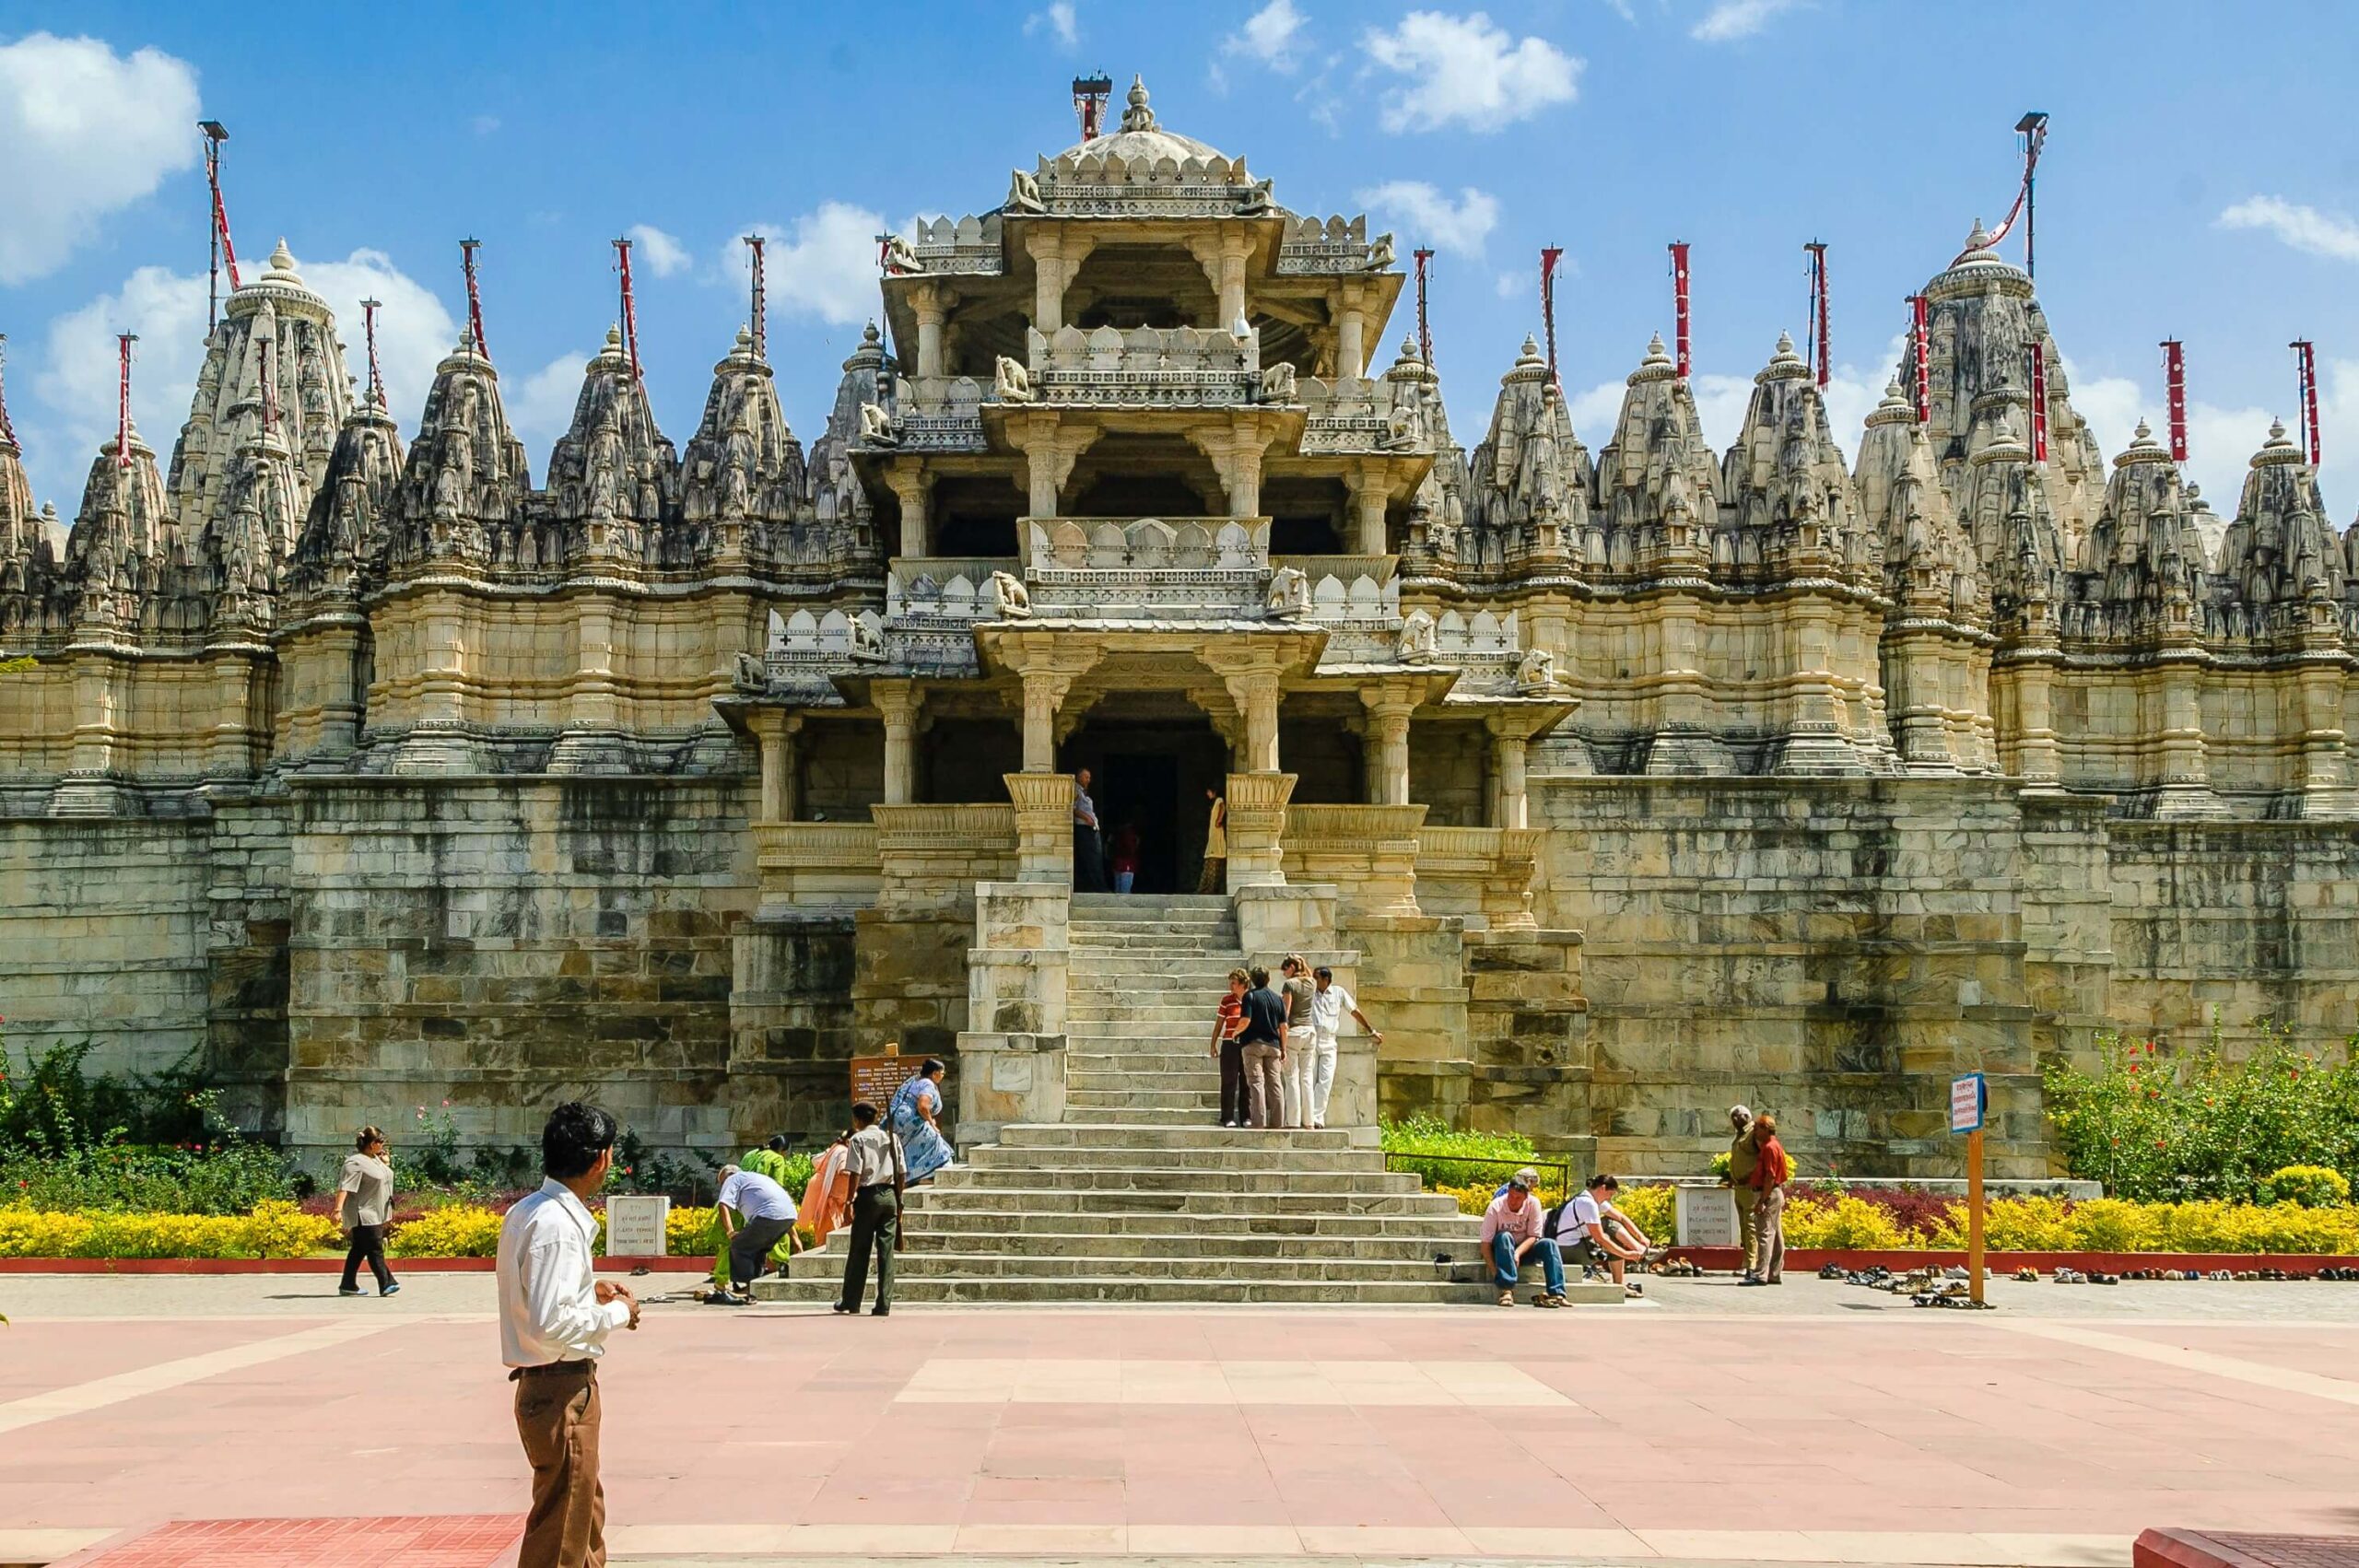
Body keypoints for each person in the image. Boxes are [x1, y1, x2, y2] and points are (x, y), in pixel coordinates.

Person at [497, 1102, 640, 1568]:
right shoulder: (556, 1225)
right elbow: (550, 1323)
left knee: (581, 1515)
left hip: (554, 1384)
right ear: (601, 1159)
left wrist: (586, 1291)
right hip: (560, 1387)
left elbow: (537, 1297)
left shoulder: (531, 1211)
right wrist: (618, 1313)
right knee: (562, 1531)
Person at [834, 1100, 905, 1316]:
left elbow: (855, 1173)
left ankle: (851, 1300)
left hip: (868, 1195)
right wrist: (899, 1199)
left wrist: (849, 1202)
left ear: (857, 1119)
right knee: (886, 1253)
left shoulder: (858, 1139)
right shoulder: (892, 1138)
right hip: (890, 1195)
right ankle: (884, 1303)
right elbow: (902, 1172)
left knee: (859, 1250)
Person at [1301, 965, 1379, 1130]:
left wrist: (1370, 1030)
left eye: (1317, 978)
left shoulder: (1338, 992)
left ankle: (1316, 1116)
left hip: (1329, 1041)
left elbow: (1354, 1010)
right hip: (1312, 1039)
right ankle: (1307, 1116)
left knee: (1325, 1080)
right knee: (1309, 1078)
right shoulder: (1310, 993)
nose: (1314, 980)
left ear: (1326, 979)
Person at [1480, 1167, 1566, 1307]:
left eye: (1518, 1198)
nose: (1513, 1201)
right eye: (1511, 1196)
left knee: (1549, 1244)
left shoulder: (1534, 1203)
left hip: (1525, 1249)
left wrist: (1518, 1253)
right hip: (1502, 1249)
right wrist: (1496, 1273)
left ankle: (1557, 1293)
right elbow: (1485, 1244)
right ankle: (1506, 1290)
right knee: (1504, 1237)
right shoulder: (1496, 1206)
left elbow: (1534, 1235)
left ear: (1526, 1197)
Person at [712, 1162, 797, 1302]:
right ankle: (756, 1284)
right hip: (789, 1216)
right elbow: (781, 1208)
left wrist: (730, 1231)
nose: (723, 1187)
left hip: (768, 1215)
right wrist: (796, 1240)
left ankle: (746, 1287)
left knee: (739, 1246)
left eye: (721, 1183)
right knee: (758, 1249)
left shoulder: (732, 1179)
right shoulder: (754, 1178)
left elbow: (723, 1205)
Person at [1554, 1174, 1649, 1298]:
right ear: (1603, 1188)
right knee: (1610, 1234)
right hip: (1568, 1251)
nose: (1609, 1199)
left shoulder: (1588, 1197)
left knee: (1611, 1223)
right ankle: (1638, 1259)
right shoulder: (1588, 1203)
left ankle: (1640, 1252)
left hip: (1568, 1246)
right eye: (1610, 1194)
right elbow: (1600, 1238)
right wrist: (1626, 1254)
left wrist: (1641, 1237)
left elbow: (1621, 1218)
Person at [335, 1125, 399, 1298]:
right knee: (375, 1246)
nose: (383, 1145)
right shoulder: (355, 1162)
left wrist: (385, 1163)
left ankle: (348, 1284)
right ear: (371, 1144)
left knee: (359, 1249)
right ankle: (387, 1283)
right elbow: (344, 1187)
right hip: (363, 1212)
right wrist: (337, 1210)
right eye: (380, 1141)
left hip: (376, 1211)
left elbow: (384, 1176)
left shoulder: (375, 1159)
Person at [1235, 965, 1288, 1130]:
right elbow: (1284, 1026)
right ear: (1268, 979)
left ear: (1251, 980)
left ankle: (1258, 1123)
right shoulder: (1277, 998)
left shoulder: (1249, 996)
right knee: (1275, 1084)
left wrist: (1235, 1032)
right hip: (1273, 1045)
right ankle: (1277, 1122)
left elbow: (1246, 1020)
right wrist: (1284, 1049)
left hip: (1253, 1043)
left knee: (1257, 1083)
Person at [1743, 1113, 1791, 1286]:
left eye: (1757, 1128)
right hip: (1773, 1193)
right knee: (1776, 1235)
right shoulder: (1774, 1145)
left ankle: (1760, 1274)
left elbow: (1770, 1176)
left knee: (1764, 1233)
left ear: (1765, 1129)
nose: (1754, 1132)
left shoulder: (1770, 1147)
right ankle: (1775, 1273)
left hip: (1768, 1193)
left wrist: (1761, 1201)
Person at [889, 1057, 955, 1184]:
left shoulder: (913, 1080)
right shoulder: (927, 1084)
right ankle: (924, 1175)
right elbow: (923, 1106)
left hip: (896, 1121)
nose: (942, 1076)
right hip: (910, 1123)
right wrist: (931, 1123)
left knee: (907, 1151)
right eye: (942, 1073)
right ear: (935, 1073)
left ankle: (916, 1177)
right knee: (938, 1145)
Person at [1275, 955, 1317, 1129]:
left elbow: (1286, 1013)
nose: (1284, 973)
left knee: (1291, 1077)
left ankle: (1293, 1120)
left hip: (1294, 1032)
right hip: (1310, 1031)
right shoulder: (1312, 982)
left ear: (1291, 967)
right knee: (1306, 1077)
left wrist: (1280, 1037)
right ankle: (1309, 1121)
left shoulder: (1290, 985)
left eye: (1285, 969)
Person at [1208, 966, 1250, 1128]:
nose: (1231, 986)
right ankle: (1227, 1117)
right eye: (1230, 983)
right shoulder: (1227, 1000)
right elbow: (1219, 1024)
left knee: (1246, 1082)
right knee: (1228, 1081)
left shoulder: (1251, 999)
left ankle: (1246, 1116)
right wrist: (1213, 1044)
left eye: (1234, 983)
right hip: (1229, 1044)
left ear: (1243, 984)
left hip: (1247, 1044)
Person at [1724, 1104, 1762, 1282]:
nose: (1736, 1120)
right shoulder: (1740, 1135)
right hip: (1739, 1187)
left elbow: (1763, 1157)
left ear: (1747, 1116)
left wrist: (1755, 1179)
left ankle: (1751, 1265)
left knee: (1751, 1226)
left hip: (1751, 1188)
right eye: (1733, 1117)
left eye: (1739, 1116)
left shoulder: (1754, 1132)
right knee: (1744, 1227)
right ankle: (1747, 1261)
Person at [798, 1131, 851, 1246]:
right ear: (849, 1141)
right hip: (831, 1202)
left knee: (824, 1236)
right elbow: (843, 1170)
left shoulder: (835, 1148)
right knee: (830, 1239)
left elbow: (815, 1160)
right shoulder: (843, 1152)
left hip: (829, 1197)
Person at [1072, 766, 1106, 893]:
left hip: (1091, 828)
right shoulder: (1075, 790)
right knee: (1091, 859)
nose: (1088, 780)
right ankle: (1096, 887)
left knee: (1096, 858)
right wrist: (1087, 818)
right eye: (1086, 777)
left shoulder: (1083, 791)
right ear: (1079, 777)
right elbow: (1073, 809)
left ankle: (1099, 885)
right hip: (1084, 828)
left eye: (1089, 777)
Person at [1196, 787, 1226, 894]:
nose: (1207, 794)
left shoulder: (1219, 800)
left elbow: (1223, 807)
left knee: (1214, 858)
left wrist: (1219, 820)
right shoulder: (1214, 803)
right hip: (1213, 834)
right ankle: (1207, 888)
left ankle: (1210, 888)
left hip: (1217, 834)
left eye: (1209, 791)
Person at [1108, 823, 1142, 895]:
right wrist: (1137, 844)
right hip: (1126, 865)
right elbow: (1130, 849)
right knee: (1125, 893)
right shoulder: (1129, 833)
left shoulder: (1116, 832)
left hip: (1117, 864)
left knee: (1118, 891)